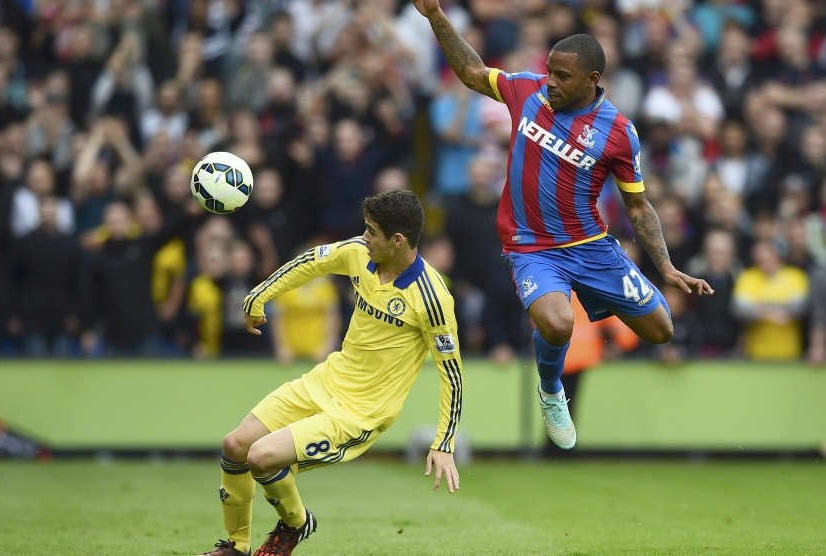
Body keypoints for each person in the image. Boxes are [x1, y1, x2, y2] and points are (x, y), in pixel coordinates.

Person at [413, 0, 713, 450]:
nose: (550, 81)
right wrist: (436, 15)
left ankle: (594, 296)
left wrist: (666, 268)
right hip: (531, 246)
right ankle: (552, 391)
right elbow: (473, 73)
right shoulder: (527, 91)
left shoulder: (618, 132)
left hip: (592, 247)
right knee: (557, 324)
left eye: (562, 76)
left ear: (593, 80)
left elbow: (638, 207)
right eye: (550, 70)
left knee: (661, 330)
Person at [199, 190, 463, 556]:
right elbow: (310, 263)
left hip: (360, 413)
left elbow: (452, 373)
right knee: (235, 446)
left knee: (260, 457)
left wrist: (444, 442)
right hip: (324, 381)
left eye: (372, 231)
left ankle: (294, 524)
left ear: (397, 240)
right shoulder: (360, 253)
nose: (364, 237)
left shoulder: (433, 299)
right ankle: (236, 546)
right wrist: (259, 295)